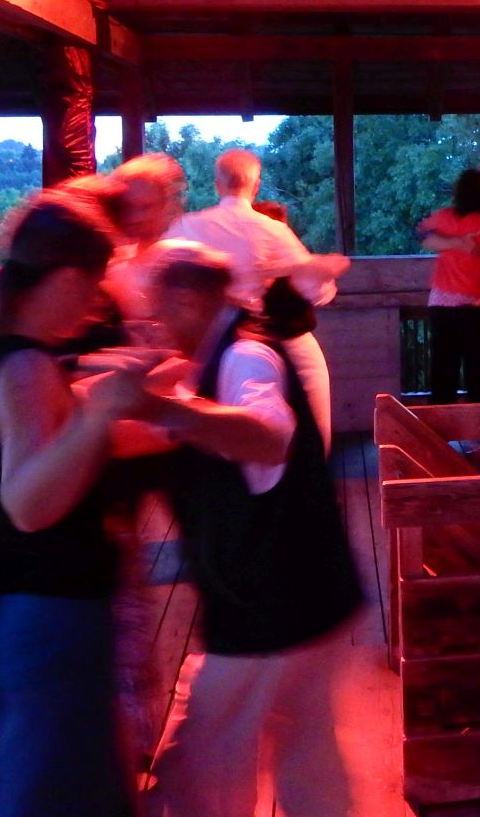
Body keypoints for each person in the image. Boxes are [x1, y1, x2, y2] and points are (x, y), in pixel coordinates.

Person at [138, 242, 363, 817]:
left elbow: (268, 436)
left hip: (268, 606)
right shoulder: (223, 354)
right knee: (309, 751)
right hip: (310, 596)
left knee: (204, 759)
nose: (156, 328)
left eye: (159, 314)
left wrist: (160, 410)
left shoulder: (244, 357)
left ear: (188, 302)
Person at [0, 191, 152, 817]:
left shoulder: (4, 354)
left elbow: (52, 456)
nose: (94, 305)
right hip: (46, 621)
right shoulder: (26, 368)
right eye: (93, 287)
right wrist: (97, 414)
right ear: (68, 279)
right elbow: (28, 504)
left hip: (25, 611)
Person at [169, 148, 349, 449]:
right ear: (255, 186)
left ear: (217, 184)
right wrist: (318, 270)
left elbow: (157, 274)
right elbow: (317, 292)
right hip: (253, 338)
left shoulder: (188, 226)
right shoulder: (272, 229)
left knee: (214, 438)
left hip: (203, 346)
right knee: (292, 434)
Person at [417, 168, 480, 405]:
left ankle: (437, 425)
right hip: (474, 304)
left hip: (440, 304)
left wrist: (451, 242)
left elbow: (421, 233)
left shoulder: (443, 217)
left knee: (442, 373)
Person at [108, 153, 187, 321]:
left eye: (146, 207)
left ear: (165, 205)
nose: (138, 217)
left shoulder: (184, 260)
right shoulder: (111, 264)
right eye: (128, 207)